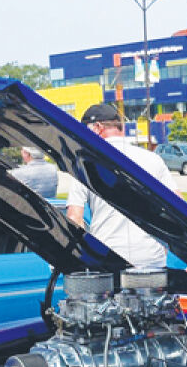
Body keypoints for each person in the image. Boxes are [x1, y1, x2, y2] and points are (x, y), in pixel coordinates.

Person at [66, 103, 177, 267]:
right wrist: (165, 243)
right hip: (151, 258)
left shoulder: (85, 164)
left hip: (108, 256)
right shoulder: (153, 159)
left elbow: (74, 218)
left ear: (97, 128)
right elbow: (176, 206)